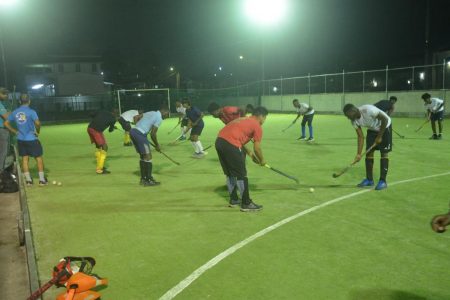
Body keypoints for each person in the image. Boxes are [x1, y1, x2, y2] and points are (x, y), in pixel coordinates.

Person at [215, 106, 268, 212]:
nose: (264, 120)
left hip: (219, 142)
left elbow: (237, 138)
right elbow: (257, 148)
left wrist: (250, 154)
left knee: (230, 173)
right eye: (265, 118)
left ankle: (234, 200)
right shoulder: (257, 125)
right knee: (241, 175)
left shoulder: (243, 119)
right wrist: (262, 160)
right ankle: (246, 203)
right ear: (261, 116)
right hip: (231, 144)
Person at [343, 103, 391, 190]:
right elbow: (360, 137)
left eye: (348, 115)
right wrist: (358, 154)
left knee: (384, 154)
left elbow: (384, 119)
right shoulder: (353, 121)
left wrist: (379, 136)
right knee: (368, 154)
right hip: (372, 130)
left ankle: (383, 181)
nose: (348, 118)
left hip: (385, 127)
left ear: (353, 111)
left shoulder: (368, 110)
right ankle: (369, 180)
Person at [4, 93, 48, 186]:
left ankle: (28, 181)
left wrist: (15, 131)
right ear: (29, 101)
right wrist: (37, 131)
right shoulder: (32, 111)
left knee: (24, 159)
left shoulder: (15, 112)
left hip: (21, 139)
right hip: (31, 139)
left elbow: (6, 123)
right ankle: (42, 180)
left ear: (20, 101)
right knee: (38, 158)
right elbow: (38, 123)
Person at [129, 106, 169, 186]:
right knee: (148, 157)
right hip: (140, 135)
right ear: (164, 112)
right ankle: (148, 180)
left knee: (143, 157)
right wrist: (157, 145)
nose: (166, 117)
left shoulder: (151, 112)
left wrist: (138, 127)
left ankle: (143, 179)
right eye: (167, 115)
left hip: (133, 132)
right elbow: (153, 134)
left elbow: (136, 117)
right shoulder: (159, 118)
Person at [87, 109, 117, 174]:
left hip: (90, 128)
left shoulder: (103, 111)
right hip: (96, 131)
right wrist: (113, 127)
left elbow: (91, 114)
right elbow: (110, 130)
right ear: (115, 114)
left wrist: (97, 120)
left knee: (99, 147)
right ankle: (99, 169)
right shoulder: (113, 119)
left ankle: (100, 166)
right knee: (105, 147)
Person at [0, 87, 10, 173]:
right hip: (1, 129)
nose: (6, 96)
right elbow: (6, 117)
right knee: (3, 150)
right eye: (4, 94)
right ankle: (0, 170)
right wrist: (11, 113)